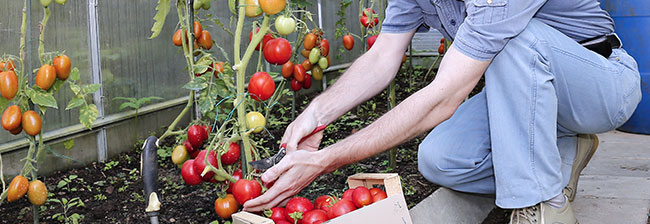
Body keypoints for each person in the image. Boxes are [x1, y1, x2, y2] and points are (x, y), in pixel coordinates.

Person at [244, 0, 642, 223]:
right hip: (530, 90)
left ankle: (544, 208)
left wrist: (327, 160)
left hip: (601, 83)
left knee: (516, 39)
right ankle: (564, 150)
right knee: (441, 159)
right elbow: (383, 56)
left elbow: (444, 96)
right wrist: (317, 115)